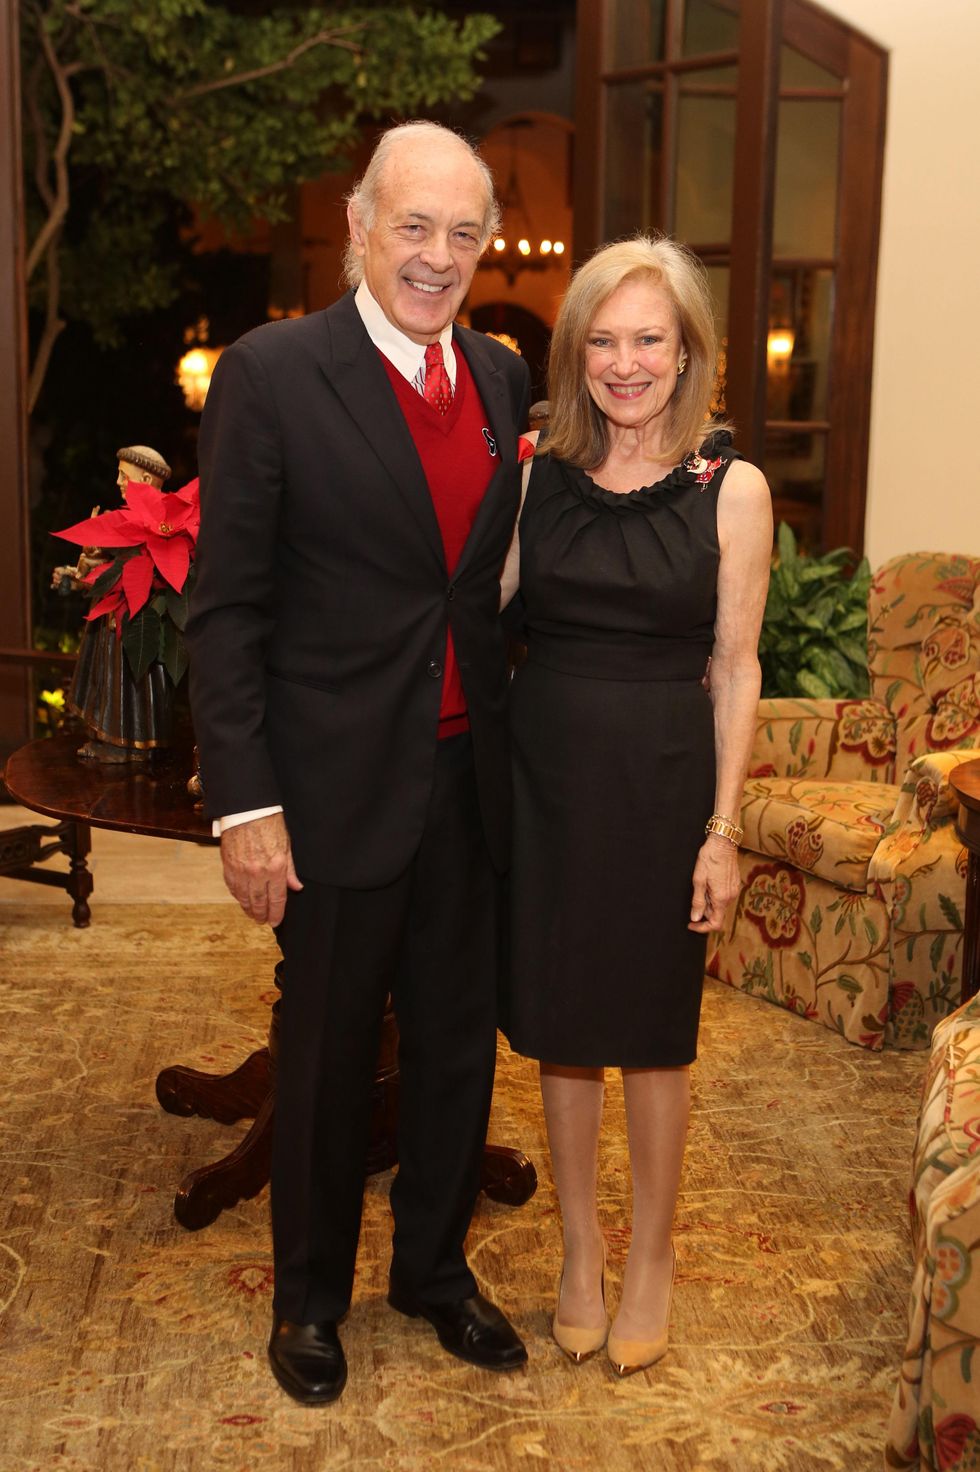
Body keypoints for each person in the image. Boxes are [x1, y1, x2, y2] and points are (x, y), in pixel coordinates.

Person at [185, 121, 531, 1405]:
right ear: (357, 225)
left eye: (463, 233)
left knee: (453, 1042)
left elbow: (479, 588)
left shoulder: (499, 378)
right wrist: (247, 802)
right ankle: (309, 1301)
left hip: (464, 778)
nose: (437, 257)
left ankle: (434, 1271)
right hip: (326, 786)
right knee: (327, 1052)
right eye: (414, 226)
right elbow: (225, 608)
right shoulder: (272, 374)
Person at [499, 236, 772, 1375]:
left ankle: (649, 1255)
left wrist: (722, 831)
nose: (623, 363)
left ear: (687, 353)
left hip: (662, 794)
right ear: (574, 354)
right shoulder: (531, 475)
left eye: (646, 339)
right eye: (601, 340)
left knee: (655, 1037)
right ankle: (577, 1252)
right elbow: (472, 608)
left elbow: (734, 665)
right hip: (543, 788)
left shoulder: (733, 489)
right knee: (563, 1032)